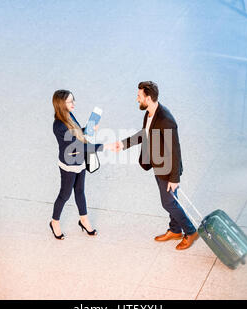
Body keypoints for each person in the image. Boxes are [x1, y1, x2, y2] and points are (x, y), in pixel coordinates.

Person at [114, 81, 199, 250]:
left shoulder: (166, 120)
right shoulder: (150, 113)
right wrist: (124, 144)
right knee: (172, 201)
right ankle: (175, 230)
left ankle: (190, 231)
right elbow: (144, 134)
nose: (137, 99)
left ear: (149, 98)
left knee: (168, 203)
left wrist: (174, 178)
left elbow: (175, 151)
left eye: (140, 96)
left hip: (168, 169)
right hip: (159, 164)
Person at [51, 89, 115, 240]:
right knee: (65, 194)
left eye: (73, 100)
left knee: (80, 191)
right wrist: (106, 146)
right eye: (70, 101)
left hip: (79, 161)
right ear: (61, 104)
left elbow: (78, 134)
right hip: (69, 164)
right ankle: (54, 222)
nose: (74, 104)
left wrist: (87, 129)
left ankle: (84, 220)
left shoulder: (69, 115)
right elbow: (79, 146)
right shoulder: (59, 126)